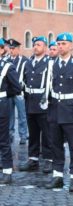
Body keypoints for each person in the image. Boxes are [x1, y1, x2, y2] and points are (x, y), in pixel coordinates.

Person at [44, 32, 73, 192]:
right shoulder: (52, 64)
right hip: (54, 109)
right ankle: (57, 175)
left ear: (71, 46)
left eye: (64, 43)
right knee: (55, 145)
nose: (60, 46)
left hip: (70, 110)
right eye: (58, 43)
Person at [19, 36, 52, 173]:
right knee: (33, 134)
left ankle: (49, 160)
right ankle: (33, 159)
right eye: (34, 44)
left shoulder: (49, 63)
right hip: (30, 102)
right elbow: (24, 81)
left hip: (43, 102)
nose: (35, 47)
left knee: (47, 133)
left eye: (39, 45)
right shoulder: (28, 63)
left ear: (45, 47)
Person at [0, 38, 22, 183]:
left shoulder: (7, 67)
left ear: (2, 50)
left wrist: (5, 95)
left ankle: (7, 170)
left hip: (2, 104)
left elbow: (17, 88)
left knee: (3, 139)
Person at [7, 38, 29, 145]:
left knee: (22, 115)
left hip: (19, 92)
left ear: (18, 49)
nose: (11, 50)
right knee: (9, 115)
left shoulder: (24, 61)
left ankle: (23, 135)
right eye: (10, 48)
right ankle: (10, 134)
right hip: (9, 92)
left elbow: (27, 76)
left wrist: (22, 87)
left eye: (13, 48)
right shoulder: (6, 60)